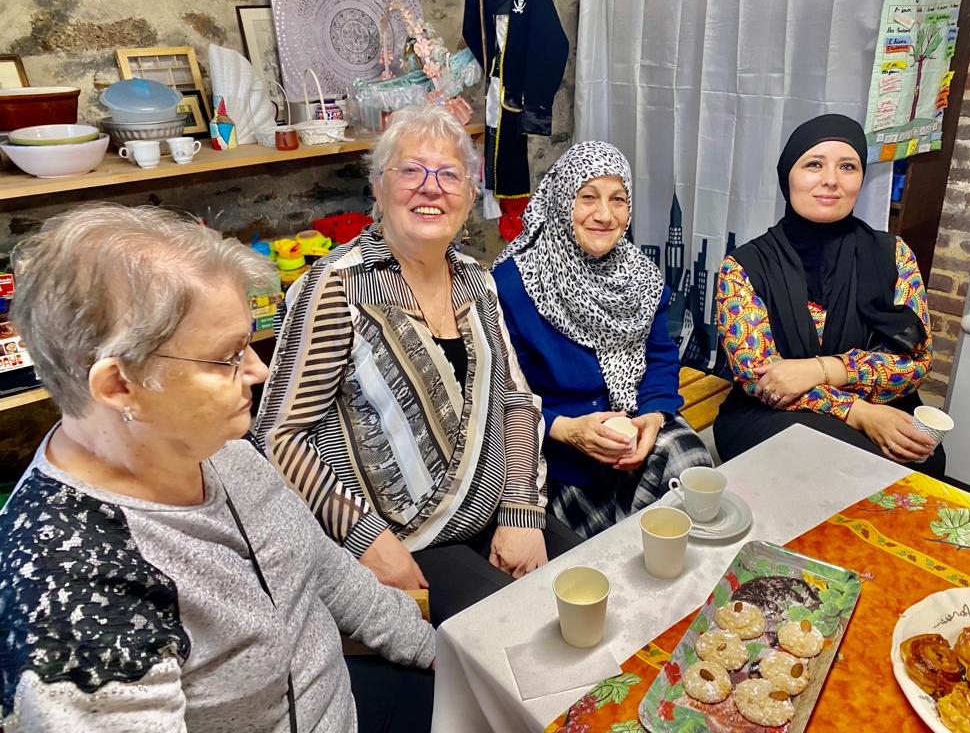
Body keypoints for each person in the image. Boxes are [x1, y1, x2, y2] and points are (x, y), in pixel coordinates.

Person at [0, 204, 435, 732]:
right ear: (118, 386)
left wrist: (432, 649)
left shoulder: (209, 441)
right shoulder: (78, 603)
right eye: (227, 356)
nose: (259, 369)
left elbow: (311, 560)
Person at [255, 104, 579, 625]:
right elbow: (278, 436)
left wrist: (522, 516)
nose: (431, 188)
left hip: (493, 508)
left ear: (469, 196)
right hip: (403, 537)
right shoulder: (336, 287)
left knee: (587, 585)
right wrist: (367, 539)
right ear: (378, 189)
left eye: (449, 175)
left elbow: (515, 400)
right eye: (410, 170)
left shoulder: (476, 277)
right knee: (516, 630)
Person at [491, 141, 713, 538]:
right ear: (562, 202)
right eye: (588, 197)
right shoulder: (512, 286)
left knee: (690, 466)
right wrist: (569, 428)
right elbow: (505, 394)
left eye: (618, 199)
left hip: (636, 427)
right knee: (613, 548)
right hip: (560, 449)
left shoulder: (641, 277)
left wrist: (653, 415)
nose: (605, 215)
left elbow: (661, 356)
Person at [714, 113, 945, 477]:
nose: (831, 180)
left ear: (860, 179)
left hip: (884, 402)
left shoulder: (893, 255)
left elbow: (915, 361)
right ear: (787, 175)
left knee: (925, 458)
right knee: (849, 462)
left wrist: (824, 369)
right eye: (814, 164)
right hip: (772, 413)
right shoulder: (745, 266)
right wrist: (858, 413)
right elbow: (761, 379)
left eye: (848, 166)